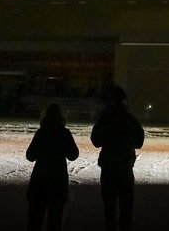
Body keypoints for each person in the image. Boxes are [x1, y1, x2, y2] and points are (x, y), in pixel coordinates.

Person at [89, 85, 145, 231]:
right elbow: (139, 142)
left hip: (108, 167)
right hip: (125, 166)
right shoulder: (130, 119)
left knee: (109, 209)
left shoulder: (105, 119)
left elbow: (96, 141)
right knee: (126, 208)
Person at [24, 102, 80, 231]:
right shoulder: (65, 133)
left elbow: (30, 156)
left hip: (40, 178)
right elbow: (73, 155)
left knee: (35, 219)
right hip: (58, 178)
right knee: (55, 219)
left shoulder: (41, 133)